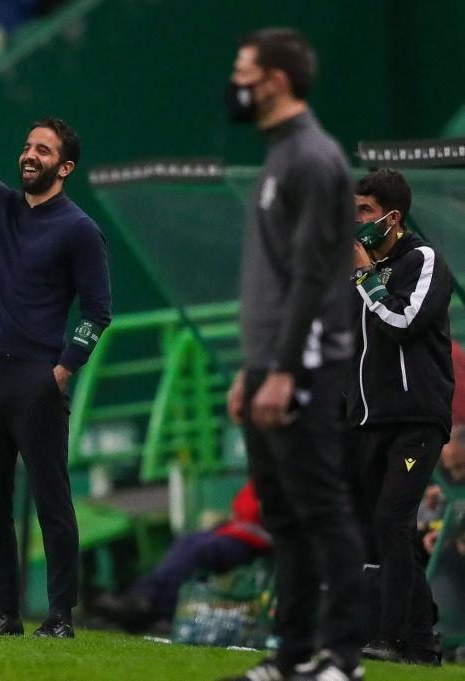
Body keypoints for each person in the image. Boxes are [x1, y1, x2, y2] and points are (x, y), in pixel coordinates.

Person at [0, 30, 112, 639]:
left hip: (36, 377)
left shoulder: (80, 230)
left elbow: (96, 311)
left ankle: (59, 615)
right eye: (28, 146)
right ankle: (5, 610)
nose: (30, 155)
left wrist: (61, 370)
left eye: (43, 150)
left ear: (66, 166)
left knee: (53, 504)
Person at [220, 28, 365, 681]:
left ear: (274, 81)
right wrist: (248, 370)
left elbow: (312, 274)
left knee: (321, 508)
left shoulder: (312, 158)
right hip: (268, 364)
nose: (235, 83)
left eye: (243, 71)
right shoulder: (279, 155)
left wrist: (280, 371)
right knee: (281, 514)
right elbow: (274, 277)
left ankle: (342, 657)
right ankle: (291, 655)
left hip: (300, 364)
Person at [346, 168, 453, 665]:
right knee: (389, 530)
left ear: (393, 216)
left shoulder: (422, 259)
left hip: (416, 419)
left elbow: (406, 322)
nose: (356, 219)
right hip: (369, 420)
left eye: (365, 211)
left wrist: (365, 276)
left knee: (393, 520)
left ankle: (389, 637)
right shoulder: (356, 270)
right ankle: (421, 641)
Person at [93, 480, 270, 632]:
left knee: (200, 550)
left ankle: (156, 608)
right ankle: (141, 598)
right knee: (187, 542)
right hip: (234, 530)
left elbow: (258, 513)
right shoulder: (267, 470)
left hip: (254, 541)